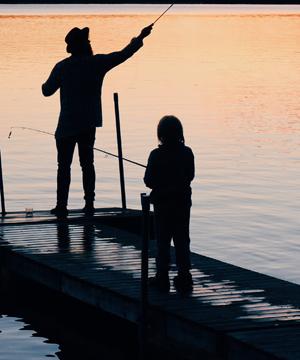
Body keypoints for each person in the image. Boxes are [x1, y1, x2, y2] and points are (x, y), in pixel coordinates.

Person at [42, 24, 153, 217]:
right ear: (86, 45)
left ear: (71, 47)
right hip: (88, 125)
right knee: (88, 164)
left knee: (63, 167)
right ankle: (89, 204)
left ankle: (61, 206)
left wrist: (49, 82)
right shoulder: (97, 63)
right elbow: (123, 54)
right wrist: (140, 37)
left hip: (66, 126)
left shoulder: (62, 67)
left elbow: (46, 91)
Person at [144, 115, 195, 293]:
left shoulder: (156, 155)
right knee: (182, 239)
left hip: (163, 205)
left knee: (163, 240)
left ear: (160, 134)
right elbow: (190, 175)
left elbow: (148, 180)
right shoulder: (187, 152)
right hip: (182, 204)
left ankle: (162, 275)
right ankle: (184, 275)